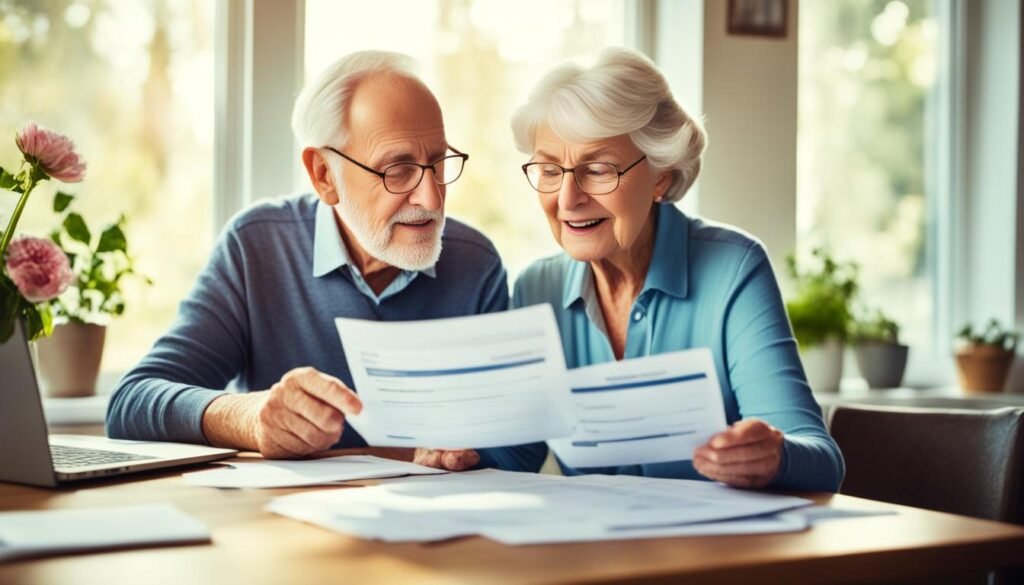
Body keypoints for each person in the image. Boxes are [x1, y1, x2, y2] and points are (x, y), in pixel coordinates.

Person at [107, 51, 522, 471]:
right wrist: (248, 418)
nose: (432, 198)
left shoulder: (475, 265)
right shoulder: (258, 247)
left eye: (437, 163)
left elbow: (518, 450)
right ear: (324, 174)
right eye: (397, 170)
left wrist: (455, 453)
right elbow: (131, 404)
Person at [506, 48, 844, 491]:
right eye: (550, 170)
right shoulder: (537, 287)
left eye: (599, 169)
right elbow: (514, 454)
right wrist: (456, 452)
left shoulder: (733, 270)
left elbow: (822, 463)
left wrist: (772, 456)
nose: (567, 199)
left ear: (661, 176)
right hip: (594, 553)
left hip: (713, 554)